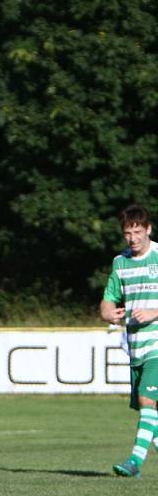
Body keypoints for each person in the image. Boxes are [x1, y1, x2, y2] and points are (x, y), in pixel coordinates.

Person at [101, 203, 158, 478]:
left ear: (148, 229)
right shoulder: (120, 263)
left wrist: (153, 312)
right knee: (150, 411)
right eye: (127, 233)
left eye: (138, 231)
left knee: (148, 400)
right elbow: (106, 302)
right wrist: (109, 313)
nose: (133, 238)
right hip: (135, 346)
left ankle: (134, 461)